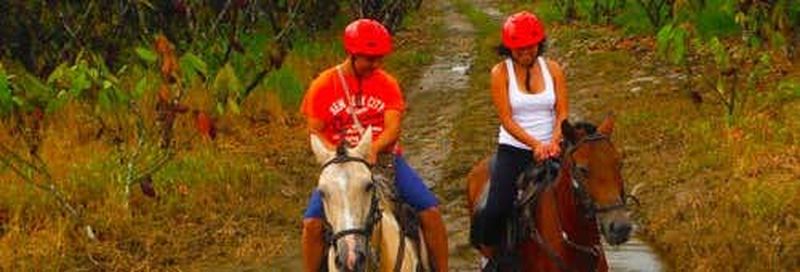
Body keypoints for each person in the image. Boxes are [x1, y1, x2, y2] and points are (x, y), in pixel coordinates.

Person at [299, 18, 448, 272]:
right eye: (369, 59)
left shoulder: (386, 83)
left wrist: (375, 148)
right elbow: (315, 130)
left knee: (430, 211)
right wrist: (336, 156)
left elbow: (393, 126)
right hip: (341, 167)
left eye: (379, 58)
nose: (375, 64)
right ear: (352, 54)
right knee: (312, 223)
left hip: (384, 159)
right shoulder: (323, 85)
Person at [470, 11, 569, 259]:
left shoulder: (554, 69)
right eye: (518, 48)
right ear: (508, 48)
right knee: (495, 209)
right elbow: (506, 119)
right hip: (515, 148)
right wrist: (535, 144)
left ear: (539, 44)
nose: (525, 52)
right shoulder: (500, 73)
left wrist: (554, 141)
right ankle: (492, 259)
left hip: (554, 145)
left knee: (585, 194)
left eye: (530, 46)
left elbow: (562, 112)